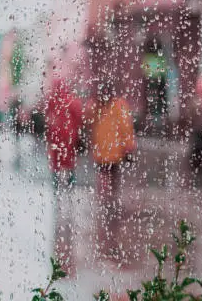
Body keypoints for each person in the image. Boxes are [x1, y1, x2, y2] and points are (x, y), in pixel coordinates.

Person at [89, 83, 136, 262]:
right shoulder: (102, 106)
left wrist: (127, 144)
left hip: (110, 150)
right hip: (105, 150)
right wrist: (128, 144)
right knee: (108, 175)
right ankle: (108, 198)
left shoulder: (115, 106)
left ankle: (107, 198)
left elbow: (125, 127)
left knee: (109, 175)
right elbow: (89, 121)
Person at [44, 78, 83, 276]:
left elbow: (49, 119)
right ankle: (65, 192)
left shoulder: (55, 100)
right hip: (66, 141)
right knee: (66, 168)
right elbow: (79, 118)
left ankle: (60, 194)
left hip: (60, 142)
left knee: (60, 168)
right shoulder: (72, 101)